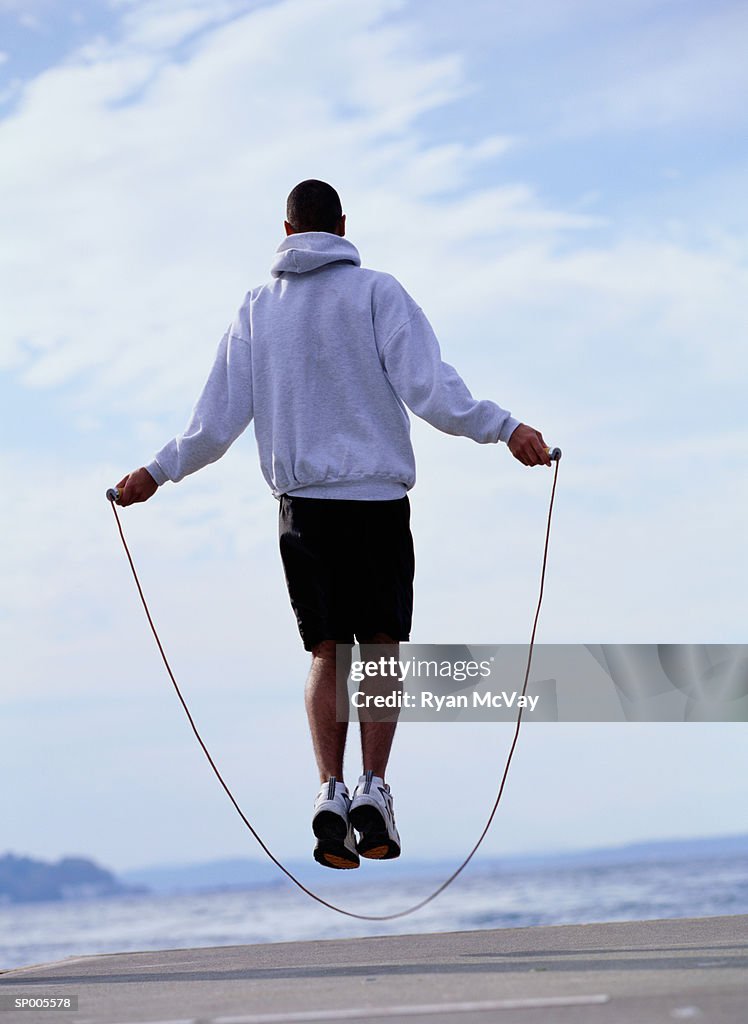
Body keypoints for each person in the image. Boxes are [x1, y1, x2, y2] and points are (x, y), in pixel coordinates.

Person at [114, 179, 550, 871]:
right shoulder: (378, 292)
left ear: (285, 230)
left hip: (304, 507)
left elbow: (214, 422)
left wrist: (153, 473)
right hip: (377, 500)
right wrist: (506, 428)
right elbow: (432, 389)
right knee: (378, 649)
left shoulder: (258, 309)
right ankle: (375, 786)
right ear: (342, 225)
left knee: (327, 651)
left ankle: (329, 790)